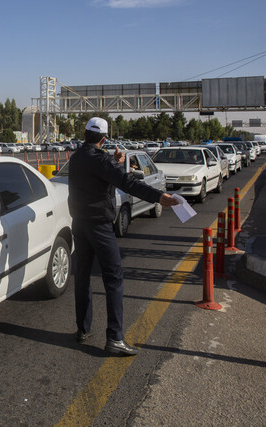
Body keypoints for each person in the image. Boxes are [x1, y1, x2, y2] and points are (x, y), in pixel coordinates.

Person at [68, 117, 178, 356]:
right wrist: (159, 197)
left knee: (83, 276)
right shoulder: (101, 161)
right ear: (104, 139)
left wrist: (113, 162)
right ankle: (115, 338)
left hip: (79, 223)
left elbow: (99, 175)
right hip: (99, 225)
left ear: (85, 134)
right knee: (114, 277)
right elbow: (127, 183)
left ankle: (83, 329)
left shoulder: (76, 157)